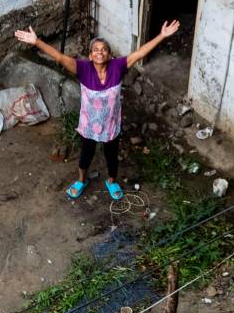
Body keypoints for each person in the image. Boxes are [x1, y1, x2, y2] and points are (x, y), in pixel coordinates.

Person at [14, 21, 180, 200]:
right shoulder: (83, 69)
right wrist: (37, 41)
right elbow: (61, 58)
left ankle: (111, 181)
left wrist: (162, 36)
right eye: (96, 50)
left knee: (111, 157)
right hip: (89, 125)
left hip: (111, 124)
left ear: (109, 55)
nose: (100, 52)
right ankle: (81, 180)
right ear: (91, 56)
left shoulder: (118, 67)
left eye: (104, 49)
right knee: (86, 155)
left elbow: (140, 53)